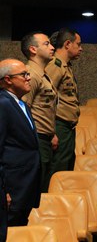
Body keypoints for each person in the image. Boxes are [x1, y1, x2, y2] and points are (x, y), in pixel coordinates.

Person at [0, 59, 41, 228]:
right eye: (24, 74)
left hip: (25, 183)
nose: (28, 78)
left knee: (21, 228)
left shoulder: (20, 102)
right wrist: (3, 191)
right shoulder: (2, 104)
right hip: (12, 185)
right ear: (8, 80)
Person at [21, 32, 58, 193]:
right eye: (46, 44)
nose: (52, 47)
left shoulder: (42, 74)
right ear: (33, 49)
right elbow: (23, 109)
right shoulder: (31, 74)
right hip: (36, 139)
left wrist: (52, 134)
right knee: (36, 189)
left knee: (43, 187)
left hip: (44, 139)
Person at [46, 28, 82, 174]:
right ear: (67, 44)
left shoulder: (65, 67)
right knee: (58, 167)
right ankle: (53, 197)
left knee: (67, 165)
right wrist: (51, 132)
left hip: (68, 125)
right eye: (78, 44)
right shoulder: (55, 66)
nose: (81, 48)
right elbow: (46, 99)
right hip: (59, 124)